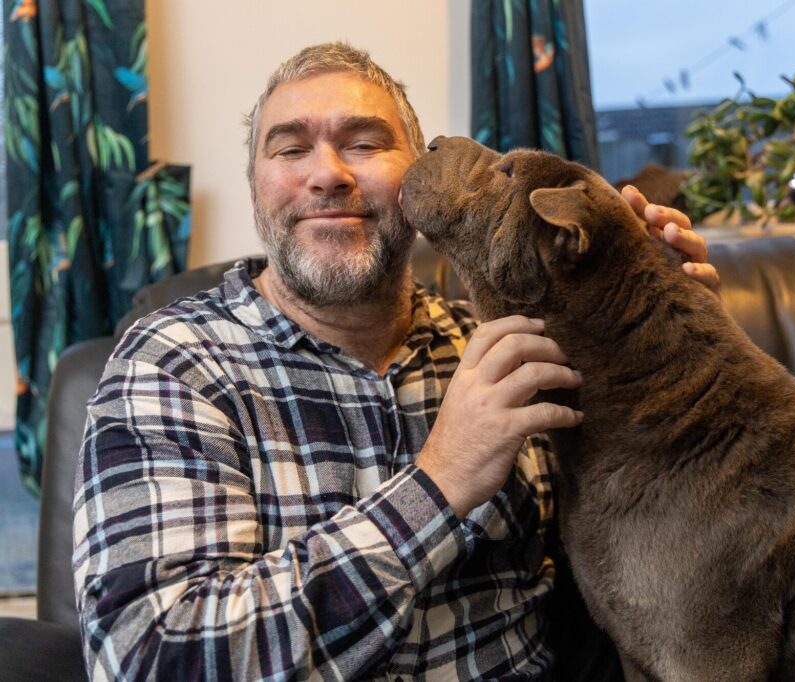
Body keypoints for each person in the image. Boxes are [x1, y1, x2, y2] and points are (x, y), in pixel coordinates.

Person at [72, 42, 721, 680]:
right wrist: (436, 485)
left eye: (364, 143)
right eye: (291, 148)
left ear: (419, 180)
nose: (328, 174)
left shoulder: (503, 343)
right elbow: (151, 657)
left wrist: (666, 340)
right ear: (255, 191)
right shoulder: (172, 364)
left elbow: (665, 551)